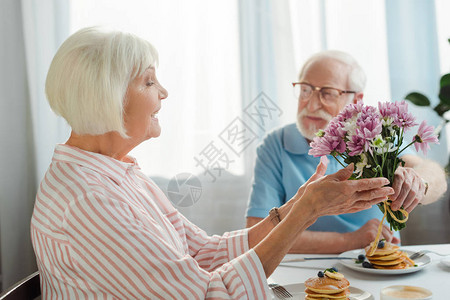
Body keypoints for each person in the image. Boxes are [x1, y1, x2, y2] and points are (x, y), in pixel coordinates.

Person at [30, 28, 395, 299]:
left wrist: (298, 206)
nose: (164, 92)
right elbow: (210, 295)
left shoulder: (118, 172)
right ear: (106, 97)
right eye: (149, 81)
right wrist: (305, 213)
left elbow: (202, 252)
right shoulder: (90, 200)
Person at [246, 50, 447, 254]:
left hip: (376, 267)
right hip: (302, 271)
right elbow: (257, 235)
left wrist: (418, 183)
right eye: (305, 90)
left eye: (328, 93)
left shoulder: (375, 135)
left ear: (356, 101)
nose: (312, 104)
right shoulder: (275, 144)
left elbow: (434, 176)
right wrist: (349, 240)